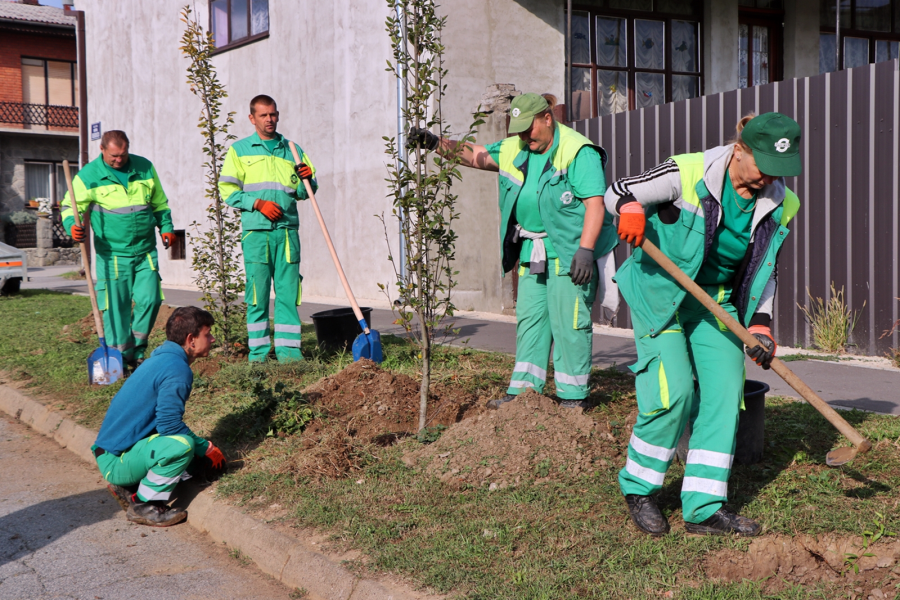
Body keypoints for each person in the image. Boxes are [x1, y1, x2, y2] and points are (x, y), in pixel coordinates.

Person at [605, 112, 802, 537]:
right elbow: (619, 189)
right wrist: (630, 209)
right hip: (661, 294)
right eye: (763, 164)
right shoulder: (689, 170)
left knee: (726, 394)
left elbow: (768, 269)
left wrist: (763, 324)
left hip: (717, 303)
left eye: (779, 169)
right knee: (673, 392)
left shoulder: (782, 202)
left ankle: (703, 507)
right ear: (740, 149)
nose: (770, 177)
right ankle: (639, 488)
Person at [408, 93, 618, 409]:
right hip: (533, 251)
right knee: (531, 320)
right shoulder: (515, 147)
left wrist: (586, 250)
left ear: (548, 118)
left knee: (569, 322)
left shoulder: (578, 152)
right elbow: (476, 155)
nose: (523, 136)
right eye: (518, 130)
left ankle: (573, 396)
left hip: (570, 251)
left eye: (528, 129)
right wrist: (437, 143)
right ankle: (523, 393)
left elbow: (595, 205)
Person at [92, 306, 226, 527]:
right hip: (116, 461)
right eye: (207, 333)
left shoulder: (162, 358)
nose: (212, 339)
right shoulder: (177, 370)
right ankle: (144, 505)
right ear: (191, 339)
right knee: (181, 446)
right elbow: (169, 425)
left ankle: (129, 488)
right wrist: (206, 448)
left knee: (187, 454)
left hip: (112, 453)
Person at [62, 130, 175, 371]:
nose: (118, 160)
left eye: (123, 154)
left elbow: (160, 204)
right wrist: (73, 225)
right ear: (102, 149)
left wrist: (166, 227)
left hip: (145, 251)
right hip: (112, 255)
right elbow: (70, 207)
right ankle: (118, 360)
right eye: (114, 155)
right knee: (116, 308)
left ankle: (137, 349)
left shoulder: (144, 167)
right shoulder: (88, 176)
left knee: (151, 300)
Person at [219, 95, 316, 363]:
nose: (269, 119)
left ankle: (289, 354)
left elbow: (306, 191)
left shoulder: (293, 149)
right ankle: (259, 354)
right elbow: (227, 191)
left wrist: (306, 180)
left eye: (273, 114)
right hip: (256, 233)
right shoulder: (239, 150)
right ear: (252, 118)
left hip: (286, 232)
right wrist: (258, 203)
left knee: (288, 293)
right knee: (257, 295)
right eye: (263, 115)